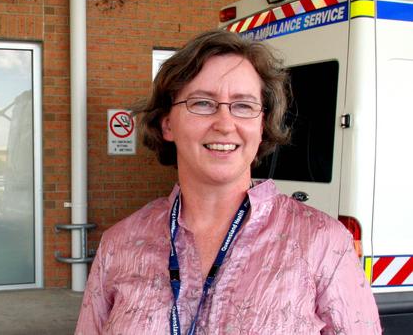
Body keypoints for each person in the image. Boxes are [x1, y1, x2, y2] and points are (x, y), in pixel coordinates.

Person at [75, 30, 381, 334]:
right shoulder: (120, 244)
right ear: (167, 123)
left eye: (244, 105)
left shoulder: (322, 242)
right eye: (203, 103)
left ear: (263, 125)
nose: (224, 124)